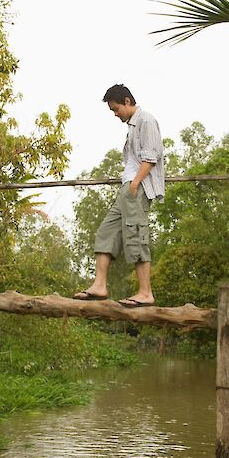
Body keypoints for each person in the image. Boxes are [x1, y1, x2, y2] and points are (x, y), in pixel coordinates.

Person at [73, 84, 165, 307]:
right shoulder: (132, 126)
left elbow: (151, 157)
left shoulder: (146, 120)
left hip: (139, 187)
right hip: (128, 188)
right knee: (106, 231)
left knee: (135, 235)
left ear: (126, 101)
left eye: (115, 109)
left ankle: (145, 292)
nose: (115, 114)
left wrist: (135, 183)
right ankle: (100, 285)